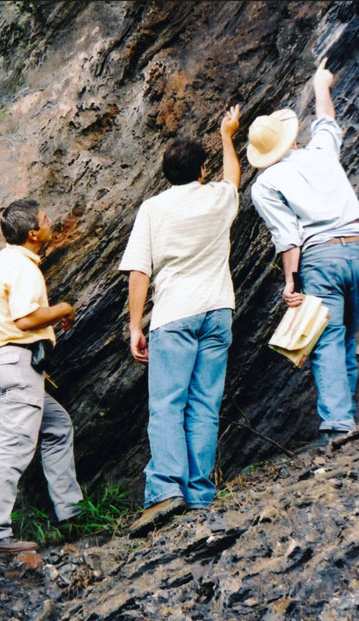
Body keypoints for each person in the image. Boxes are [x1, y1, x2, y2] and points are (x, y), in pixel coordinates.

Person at [123, 105, 243, 532]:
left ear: (165, 173)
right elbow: (234, 177)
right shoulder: (217, 197)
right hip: (218, 311)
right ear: (202, 171)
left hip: (174, 315)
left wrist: (136, 326)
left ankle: (165, 490)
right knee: (205, 404)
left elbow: (140, 271)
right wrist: (228, 133)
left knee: (168, 405)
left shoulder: (153, 209)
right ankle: (198, 493)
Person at [248, 58, 359, 450]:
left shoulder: (265, 184)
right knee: (348, 336)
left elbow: (289, 238)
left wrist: (290, 282)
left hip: (321, 260)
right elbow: (326, 121)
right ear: (290, 137)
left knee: (327, 341)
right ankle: (345, 417)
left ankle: (339, 425)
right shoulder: (320, 152)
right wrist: (322, 84)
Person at [0, 198, 85, 556]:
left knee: (57, 426)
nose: (52, 222)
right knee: (13, 446)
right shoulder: (22, 267)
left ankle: (72, 515)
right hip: (17, 363)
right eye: (46, 219)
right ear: (34, 233)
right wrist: (63, 309)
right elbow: (24, 319)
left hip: (0, 364)